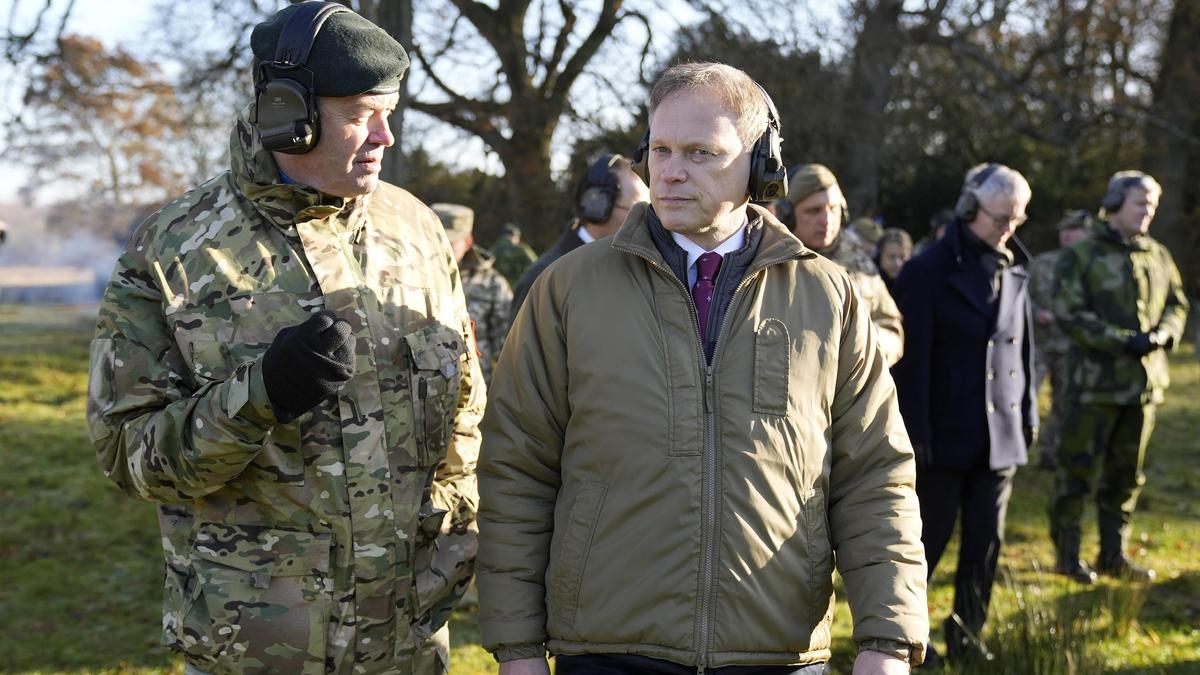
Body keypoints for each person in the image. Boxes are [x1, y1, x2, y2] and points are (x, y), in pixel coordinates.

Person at [478, 62, 927, 675]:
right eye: (659, 149)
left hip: (779, 651)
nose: (669, 171)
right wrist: (519, 648)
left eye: (699, 152)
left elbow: (876, 474)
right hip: (609, 651)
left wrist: (889, 638)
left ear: (760, 166)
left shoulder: (830, 296)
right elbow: (516, 469)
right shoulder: (566, 289)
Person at [86, 4, 483, 673]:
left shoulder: (418, 231)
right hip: (261, 655)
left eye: (391, 110)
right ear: (285, 113)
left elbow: (466, 412)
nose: (386, 135)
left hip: (410, 648)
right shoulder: (175, 249)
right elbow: (128, 453)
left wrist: (451, 550)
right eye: (362, 112)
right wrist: (257, 396)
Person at [891, 163, 1038, 666]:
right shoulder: (926, 270)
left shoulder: (1015, 265)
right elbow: (910, 362)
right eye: (1000, 218)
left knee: (986, 544)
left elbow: (1024, 351)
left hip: (999, 436)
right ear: (969, 208)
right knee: (926, 546)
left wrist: (1029, 413)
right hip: (941, 438)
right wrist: (916, 434)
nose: (1008, 229)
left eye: (1017, 219)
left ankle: (967, 635)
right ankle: (912, 640)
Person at [1048, 171, 1187, 585]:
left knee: (1126, 477)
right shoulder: (1082, 254)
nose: (1147, 213)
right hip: (1093, 387)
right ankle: (1067, 556)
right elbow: (1069, 313)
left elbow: (1177, 304)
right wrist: (1123, 341)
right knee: (1076, 472)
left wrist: (1164, 334)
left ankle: (1112, 554)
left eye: (1152, 206)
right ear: (1113, 203)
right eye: (1139, 204)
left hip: (1142, 389)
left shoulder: (1157, 255)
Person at [785, 164, 904, 366]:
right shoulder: (769, 263)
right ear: (787, 215)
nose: (826, 220)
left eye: (833, 209)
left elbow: (892, 329)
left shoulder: (861, 264)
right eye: (813, 211)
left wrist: (861, 346)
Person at [509, 153, 649, 320]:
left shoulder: (633, 271)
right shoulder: (544, 280)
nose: (644, 221)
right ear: (598, 206)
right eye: (637, 210)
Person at [1027, 210, 1092, 470]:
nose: (1067, 234)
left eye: (1074, 229)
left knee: (1064, 403)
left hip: (1071, 347)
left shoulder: (1091, 269)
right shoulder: (1041, 263)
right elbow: (1020, 297)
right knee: (1025, 397)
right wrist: (1035, 313)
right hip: (1039, 345)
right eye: (1064, 229)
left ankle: (1049, 451)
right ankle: (1016, 447)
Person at [434, 203, 512, 385]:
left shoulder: (493, 285)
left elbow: (507, 349)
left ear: (468, 242)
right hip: (424, 395)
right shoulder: (411, 276)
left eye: (450, 241)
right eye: (436, 238)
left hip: (475, 391)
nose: (441, 246)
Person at [874, 227, 913, 294]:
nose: (897, 263)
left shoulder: (916, 284)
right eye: (891, 257)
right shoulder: (869, 284)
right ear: (880, 257)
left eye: (902, 257)